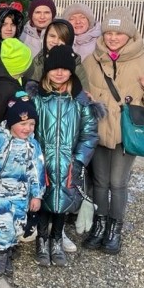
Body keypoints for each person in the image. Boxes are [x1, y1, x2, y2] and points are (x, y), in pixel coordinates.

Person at [82, 7, 144, 254]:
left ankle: (114, 228)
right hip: (98, 131)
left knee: (117, 182)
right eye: (108, 32)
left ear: (129, 35)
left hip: (125, 133)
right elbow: (80, 88)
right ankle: (99, 225)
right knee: (99, 182)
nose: (112, 37)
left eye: (118, 33)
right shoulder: (92, 59)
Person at [31, 45, 99, 268]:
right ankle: (41, 239)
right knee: (43, 199)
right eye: (54, 69)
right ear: (46, 70)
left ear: (71, 71)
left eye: (64, 69)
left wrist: (78, 159)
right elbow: (28, 128)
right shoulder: (38, 99)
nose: (59, 73)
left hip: (69, 162)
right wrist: (34, 156)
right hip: (44, 161)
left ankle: (57, 239)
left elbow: (89, 132)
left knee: (62, 202)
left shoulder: (80, 101)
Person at [0, 93, 45, 278]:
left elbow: (37, 171)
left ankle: (7, 254)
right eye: (23, 124)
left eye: (31, 124)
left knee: (17, 225)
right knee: (2, 223)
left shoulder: (33, 146)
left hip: (22, 193)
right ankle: (0, 257)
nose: (27, 128)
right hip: (0, 191)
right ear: (11, 123)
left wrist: (37, 194)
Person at [23, 19, 89, 90]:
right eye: (52, 36)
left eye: (62, 38)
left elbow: (83, 96)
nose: (56, 41)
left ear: (69, 41)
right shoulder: (38, 60)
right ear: (46, 37)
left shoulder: (76, 66)